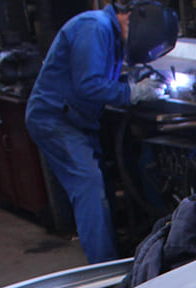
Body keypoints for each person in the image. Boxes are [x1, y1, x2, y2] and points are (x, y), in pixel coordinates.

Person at [26, 1, 177, 263]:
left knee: (102, 188)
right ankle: (103, 272)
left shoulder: (112, 36)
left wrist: (133, 83)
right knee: (90, 187)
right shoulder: (95, 27)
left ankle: (114, 250)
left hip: (77, 120)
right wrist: (133, 92)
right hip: (56, 119)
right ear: (133, 19)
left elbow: (101, 78)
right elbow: (88, 85)